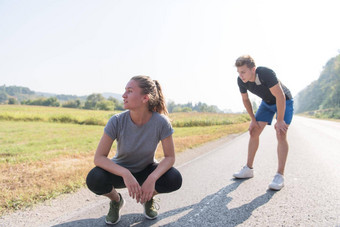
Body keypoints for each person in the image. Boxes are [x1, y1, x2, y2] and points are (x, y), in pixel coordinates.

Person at [86, 75, 182, 224]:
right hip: (120, 172)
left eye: (129, 91)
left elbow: (170, 157)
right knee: (94, 178)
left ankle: (148, 197)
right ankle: (116, 201)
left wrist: (152, 178)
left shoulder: (161, 122)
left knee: (174, 178)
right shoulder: (116, 121)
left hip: (146, 170)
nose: (124, 95)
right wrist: (125, 173)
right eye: (125, 91)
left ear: (145, 98)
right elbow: (99, 158)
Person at [233, 55, 293, 191]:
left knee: (281, 133)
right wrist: (253, 120)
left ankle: (279, 176)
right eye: (238, 72)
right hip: (266, 103)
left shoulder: (266, 73)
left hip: (284, 101)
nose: (240, 75)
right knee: (254, 131)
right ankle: (248, 169)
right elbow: (246, 100)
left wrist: (280, 120)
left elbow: (280, 96)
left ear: (253, 69)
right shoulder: (241, 81)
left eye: (243, 72)